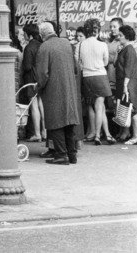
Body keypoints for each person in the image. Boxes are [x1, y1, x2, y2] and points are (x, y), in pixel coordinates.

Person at [35, 22, 80, 165]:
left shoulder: (44, 47)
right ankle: (72, 155)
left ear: (42, 35)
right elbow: (75, 67)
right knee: (69, 120)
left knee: (56, 122)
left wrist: (38, 86)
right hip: (69, 87)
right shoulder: (67, 43)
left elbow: (43, 73)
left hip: (53, 89)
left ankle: (61, 155)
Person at [78, 18, 114, 145]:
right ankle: (98, 135)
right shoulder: (103, 45)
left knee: (94, 107)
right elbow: (105, 62)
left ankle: (107, 134)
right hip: (100, 76)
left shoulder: (81, 45)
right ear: (97, 30)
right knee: (100, 107)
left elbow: (79, 63)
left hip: (87, 77)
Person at [114, 25, 137, 145]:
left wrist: (125, 86)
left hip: (127, 83)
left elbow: (128, 69)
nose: (118, 37)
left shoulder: (129, 49)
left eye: (121, 35)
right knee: (127, 108)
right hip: (124, 83)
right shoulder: (125, 49)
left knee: (132, 109)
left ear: (126, 37)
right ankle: (129, 133)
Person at [21, 23, 45, 142]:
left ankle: (37, 133)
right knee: (42, 104)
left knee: (34, 106)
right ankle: (44, 131)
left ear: (28, 34)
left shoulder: (29, 47)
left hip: (31, 79)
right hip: (41, 79)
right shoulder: (41, 45)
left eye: (24, 33)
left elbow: (27, 66)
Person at [107, 17, 123, 92]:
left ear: (120, 27)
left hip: (117, 74)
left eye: (114, 26)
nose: (112, 29)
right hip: (108, 73)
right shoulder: (110, 41)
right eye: (111, 27)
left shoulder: (123, 42)